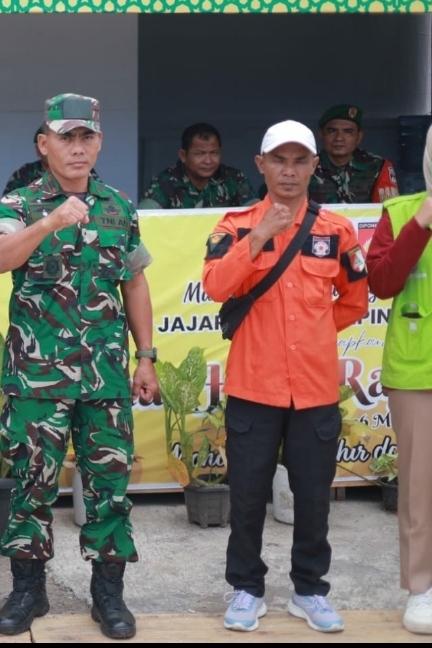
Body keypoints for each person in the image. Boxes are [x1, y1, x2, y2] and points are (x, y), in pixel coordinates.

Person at [0, 93, 158, 641]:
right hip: (39, 379)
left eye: (87, 137)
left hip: (105, 376)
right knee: (31, 486)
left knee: (109, 487)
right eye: (66, 137)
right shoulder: (19, 203)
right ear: (44, 144)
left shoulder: (118, 207)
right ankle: (27, 590)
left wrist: (147, 356)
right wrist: (50, 221)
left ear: (99, 142)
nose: (77, 147)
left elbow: (134, 282)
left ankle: (108, 596)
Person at [202, 120, 369, 634]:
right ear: (261, 165)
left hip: (315, 388)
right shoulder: (234, 225)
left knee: (314, 496)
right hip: (255, 386)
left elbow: (356, 301)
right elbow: (215, 285)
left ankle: (309, 591)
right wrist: (260, 236)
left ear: (314, 166)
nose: (290, 171)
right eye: (280, 160)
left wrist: (315, 335)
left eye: (300, 161)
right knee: (248, 495)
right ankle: (246, 589)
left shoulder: (337, 231)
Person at [365, 123, 432, 636]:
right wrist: (423, 224)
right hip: (417, 375)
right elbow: (383, 283)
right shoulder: (401, 212)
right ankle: (422, 589)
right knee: (420, 489)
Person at [139, 122, 256, 210]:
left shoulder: (233, 179)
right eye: (200, 154)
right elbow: (144, 218)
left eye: (214, 153)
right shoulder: (165, 182)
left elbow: (258, 212)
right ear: (183, 155)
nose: (208, 161)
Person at [309, 104, 399, 204]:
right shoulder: (308, 166)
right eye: (332, 131)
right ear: (321, 134)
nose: (339, 138)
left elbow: (389, 211)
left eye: (348, 132)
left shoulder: (378, 166)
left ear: (359, 137)